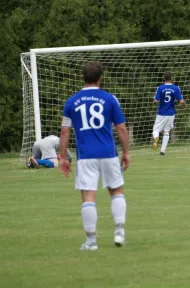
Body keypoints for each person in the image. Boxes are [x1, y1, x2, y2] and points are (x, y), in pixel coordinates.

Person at [59, 61, 130, 251]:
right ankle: (119, 232)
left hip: (86, 157)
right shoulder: (110, 99)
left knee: (89, 197)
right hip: (108, 154)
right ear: (100, 78)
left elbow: (65, 132)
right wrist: (126, 152)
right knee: (116, 191)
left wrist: (63, 157)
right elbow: (121, 128)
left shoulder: (72, 101)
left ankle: (91, 242)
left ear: (84, 77)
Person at [152, 71, 187, 156]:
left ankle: (156, 138)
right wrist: (185, 105)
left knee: (156, 130)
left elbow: (155, 100)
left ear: (164, 78)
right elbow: (181, 101)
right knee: (167, 131)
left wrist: (158, 101)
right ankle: (162, 151)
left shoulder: (160, 88)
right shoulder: (176, 88)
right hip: (171, 113)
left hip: (161, 113)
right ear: (171, 78)